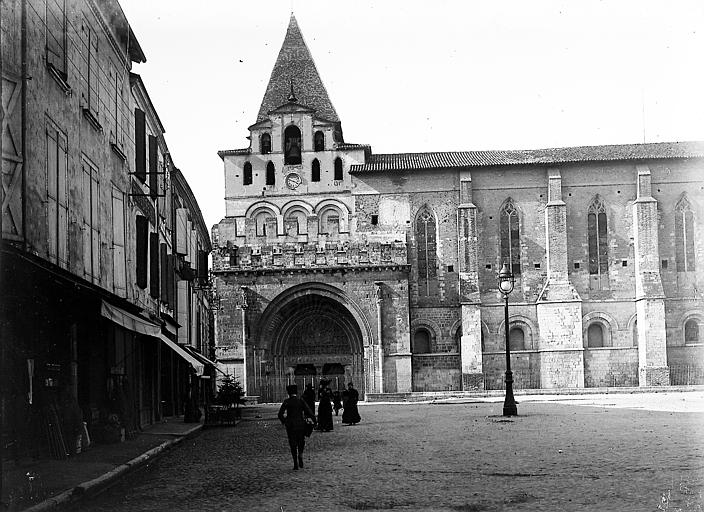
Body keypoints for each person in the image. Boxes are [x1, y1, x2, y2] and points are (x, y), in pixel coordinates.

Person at [278, 384, 315, 470]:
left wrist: (285, 421)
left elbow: (280, 414)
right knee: (301, 441)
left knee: (292, 443)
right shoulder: (300, 401)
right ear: (296, 392)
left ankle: (295, 462)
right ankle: (300, 454)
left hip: (290, 425)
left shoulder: (287, 401)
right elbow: (309, 412)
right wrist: (311, 421)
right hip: (300, 424)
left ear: (288, 393)